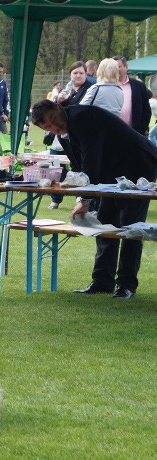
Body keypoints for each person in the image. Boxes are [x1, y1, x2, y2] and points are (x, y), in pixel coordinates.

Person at [31, 100, 157, 300]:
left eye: (54, 120)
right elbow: (80, 167)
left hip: (138, 163)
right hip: (111, 172)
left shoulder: (84, 118)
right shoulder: (63, 134)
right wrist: (83, 196)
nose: (55, 127)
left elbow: (91, 162)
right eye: (48, 127)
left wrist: (85, 200)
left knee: (131, 226)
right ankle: (102, 281)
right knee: (105, 222)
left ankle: (126, 285)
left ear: (59, 108)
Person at [48, 61, 95, 209]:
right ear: (70, 75)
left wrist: (65, 102)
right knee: (57, 165)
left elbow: (78, 110)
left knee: (80, 167)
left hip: (78, 136)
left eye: (81, 73)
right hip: (62, 136)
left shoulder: (89, 89)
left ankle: (82, 199)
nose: (78, 75)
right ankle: (55, 198)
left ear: (86, 74)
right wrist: (59, 101)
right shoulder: (67, 90)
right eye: (75, 73)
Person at [113, 55, 152, 136]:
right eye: (113, 67)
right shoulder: (108, 86)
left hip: (134, 133)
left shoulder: (139, 86)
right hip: (113, 132)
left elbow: (146, 110)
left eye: (119, 66)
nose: (116, 69)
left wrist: (141, 130)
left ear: (126, 67)